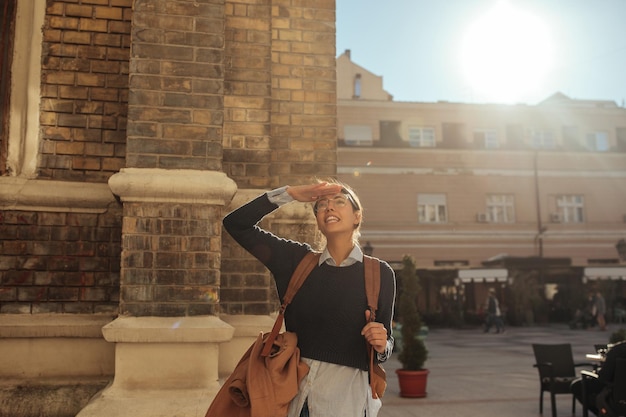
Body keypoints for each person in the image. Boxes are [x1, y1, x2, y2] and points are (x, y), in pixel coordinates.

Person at [223, 180, 396, 417]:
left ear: (357, 216)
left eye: (339, 201)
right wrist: (290, 194)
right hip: (291, 398)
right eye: (322, 204)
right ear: (318, 221)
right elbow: (236, 224)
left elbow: (385, 345)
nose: (329, 207)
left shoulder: (379, 273)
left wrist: (381, 343)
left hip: (346, 402)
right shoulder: (295, 261)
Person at [570, 340, 626, 415]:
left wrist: (597, 372)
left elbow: (604, 377)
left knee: (576, 386)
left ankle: (603, 413)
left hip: (618, 398)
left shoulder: (618, 350)